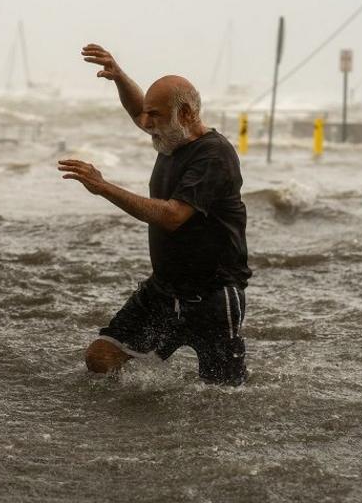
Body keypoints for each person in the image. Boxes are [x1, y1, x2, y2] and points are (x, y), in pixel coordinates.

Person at [57, 44, 251, 386]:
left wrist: (104, 187)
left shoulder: (214, 155)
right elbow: (138, 110)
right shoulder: (169, 137)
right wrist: (118, 77)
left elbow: (173, 215)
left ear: (187, 114)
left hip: (213, 297)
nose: (146, 124)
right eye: (148, 116)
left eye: (155, 116)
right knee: (101, 357)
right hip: (163, 291)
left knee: (222, 396)